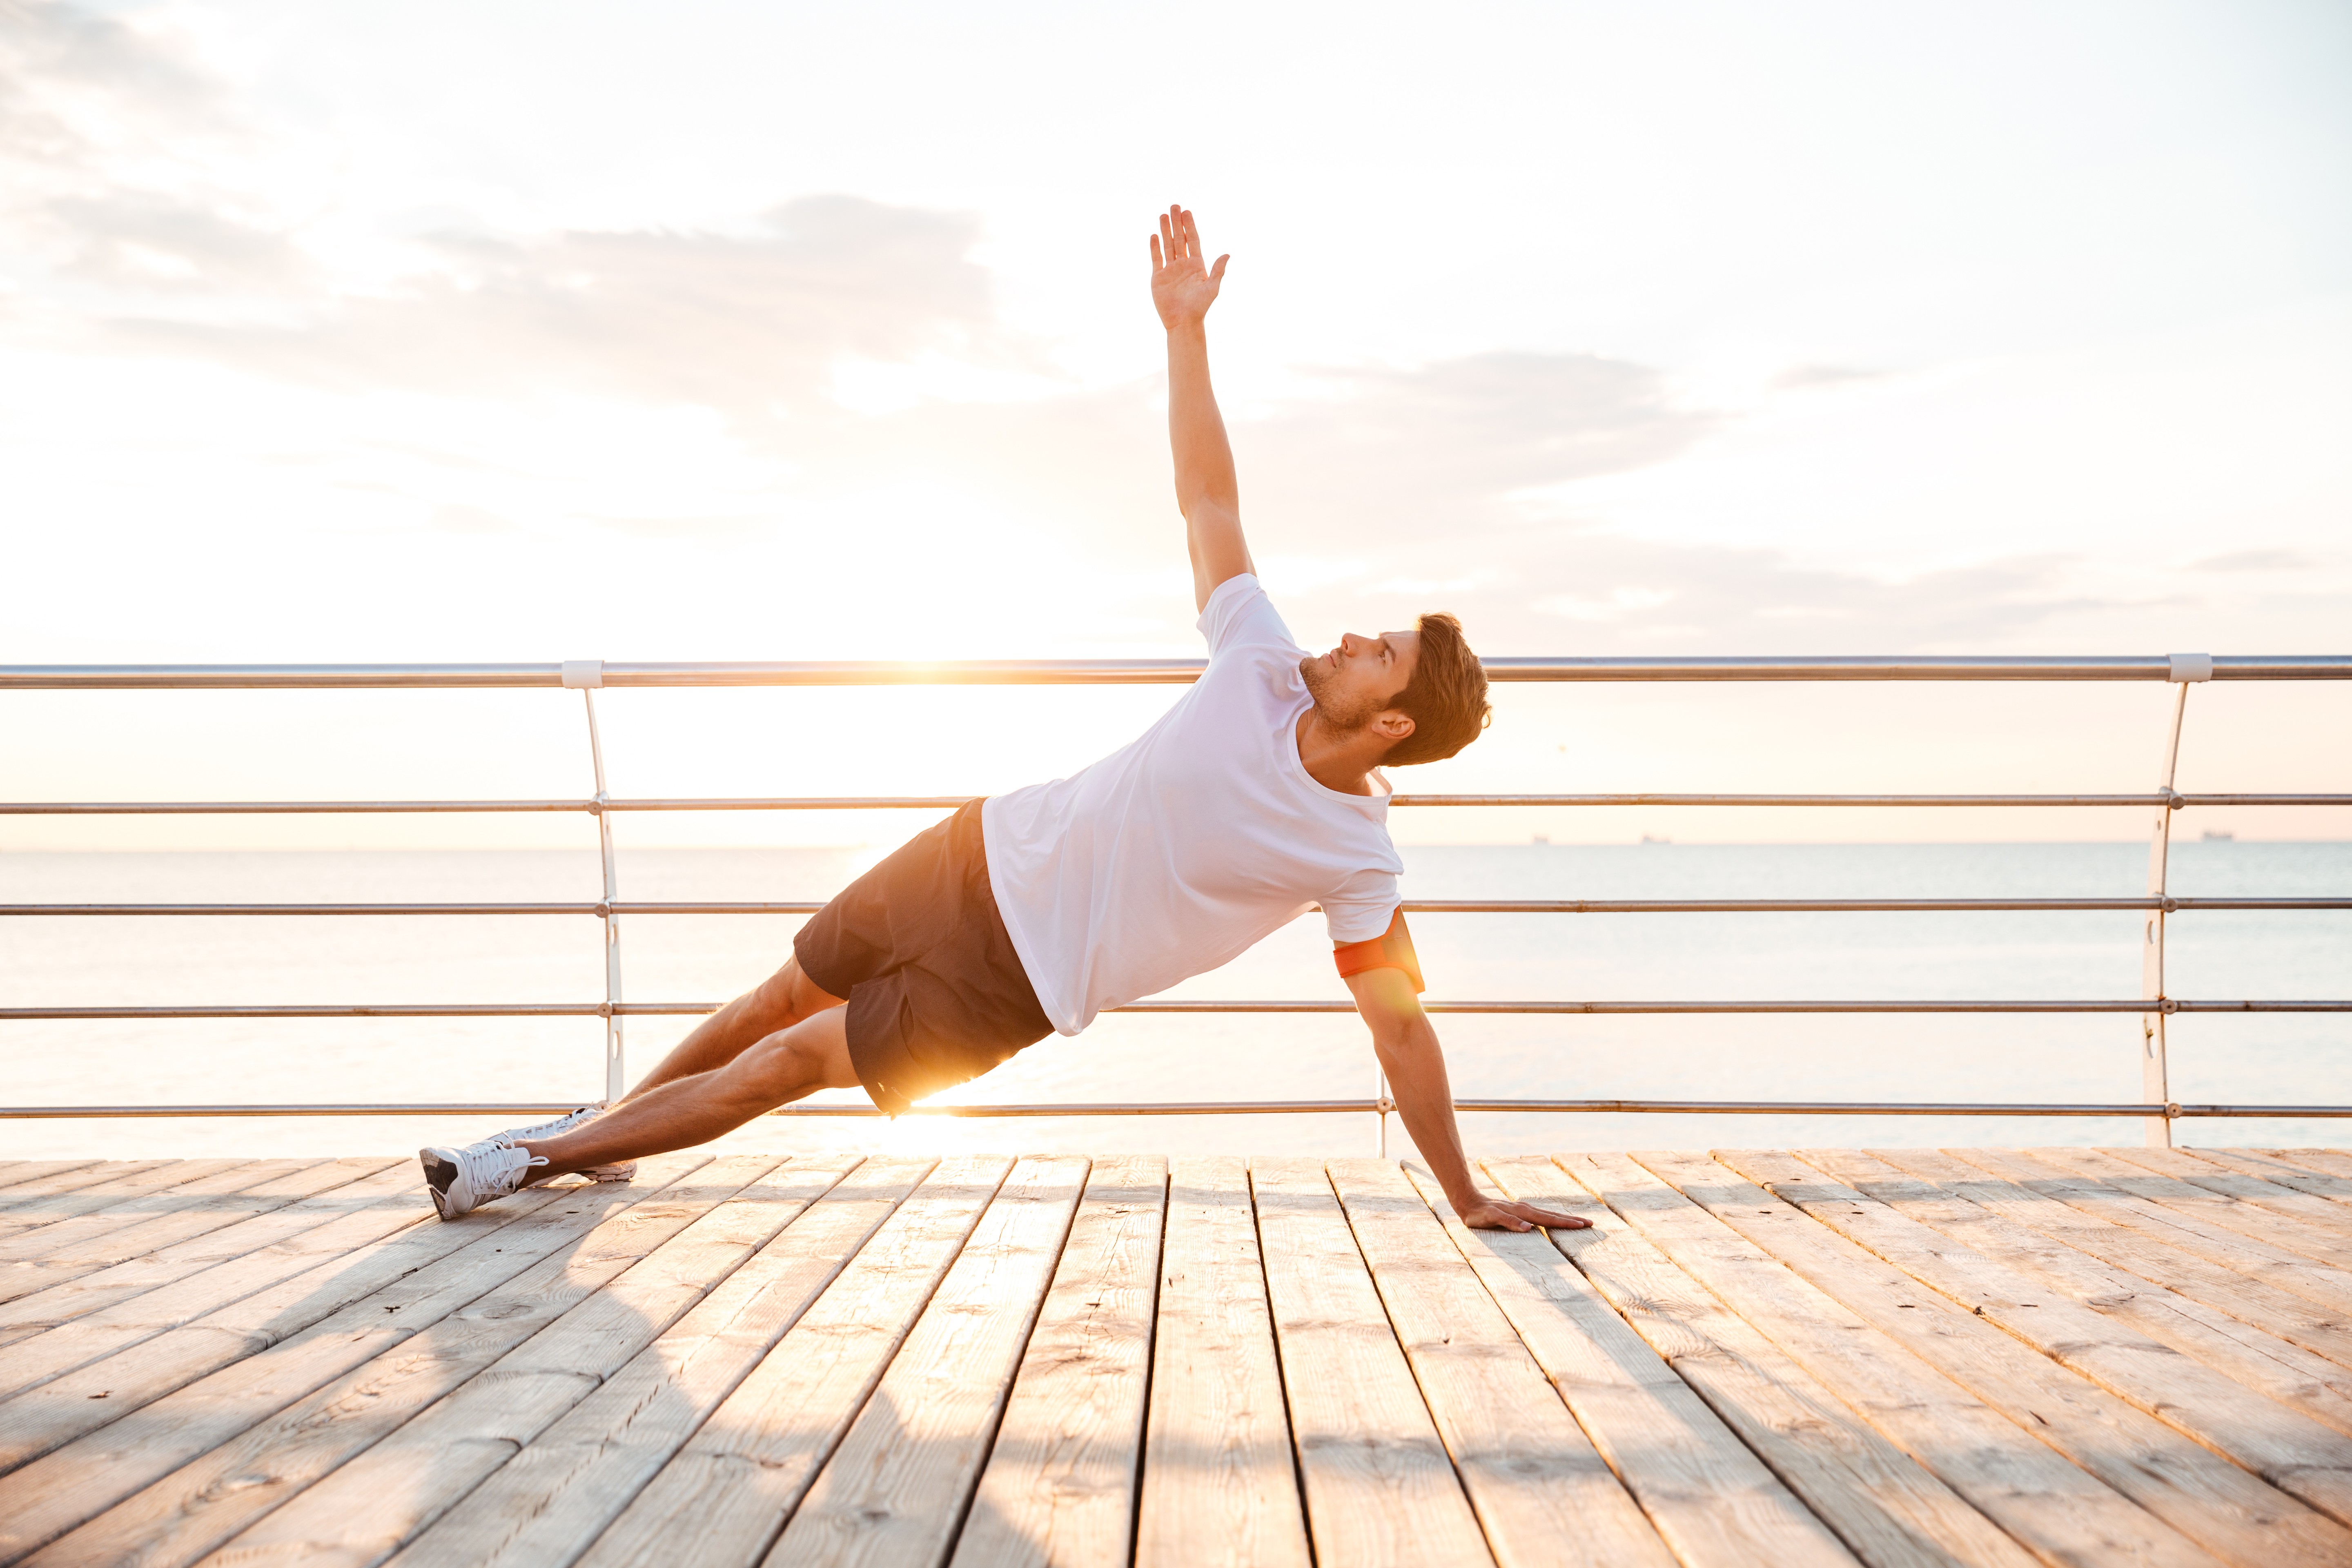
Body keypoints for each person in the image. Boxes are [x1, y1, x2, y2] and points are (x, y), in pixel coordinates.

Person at [419, 205, 1586, 1236]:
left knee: (787, 1065)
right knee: (775, 998)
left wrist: (1467, 1190)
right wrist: (1185, 332)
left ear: (1390, 726)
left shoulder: (1355, 858)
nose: (1346, 642)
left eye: (1376, 656)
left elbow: (1400, 1032)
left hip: (1013, 982)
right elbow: (1208, 497)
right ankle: (603, 1137)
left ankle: (518, 1160)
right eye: (1368, 633)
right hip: (974, 850)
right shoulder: (1261, 663)